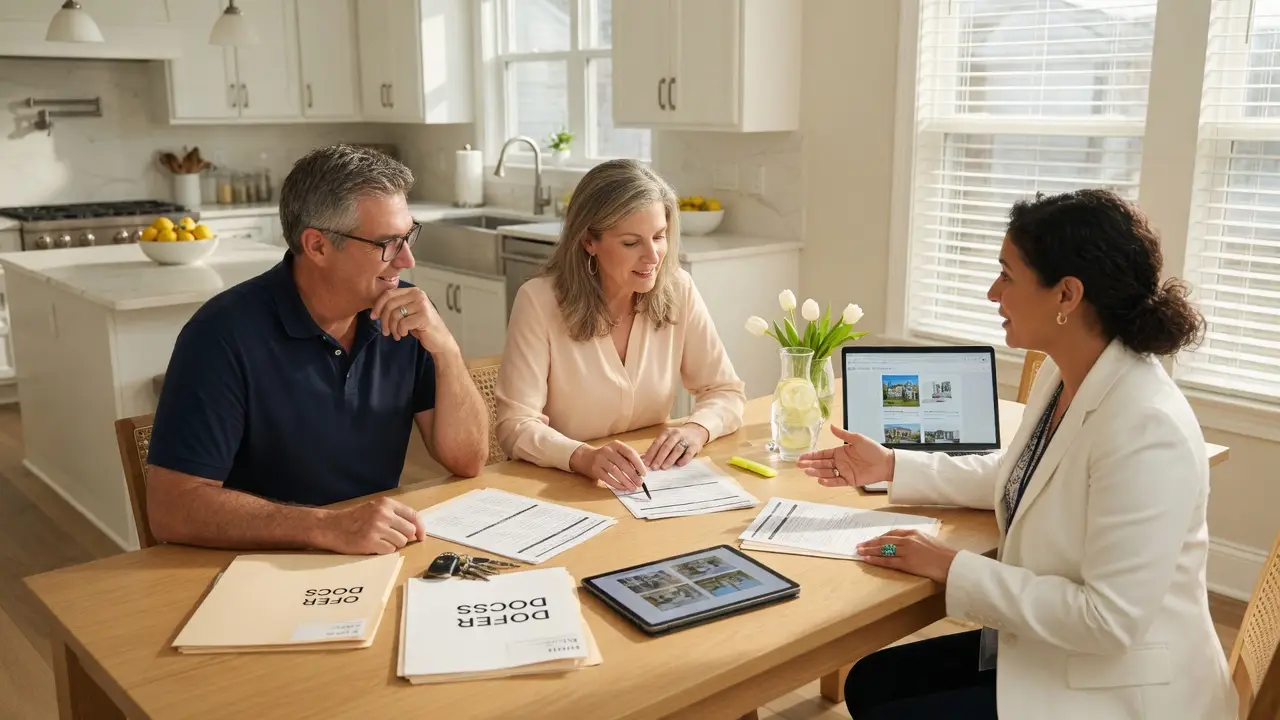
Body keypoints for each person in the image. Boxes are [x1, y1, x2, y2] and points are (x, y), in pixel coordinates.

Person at [797, 189, 1236, 719]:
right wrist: (891, 466)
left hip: (1119, 684)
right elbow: (1024, 477)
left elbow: (1108, 621)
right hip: (1063, 650)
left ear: (1066, 296)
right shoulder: (1066, 372)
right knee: (870, 682)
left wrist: (950, 566)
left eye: (1006, 275)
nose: (991, 292)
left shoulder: (1146, 427)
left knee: (885, 704)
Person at [146, 144, 489, 555]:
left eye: (409, 236)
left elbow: (468, 461)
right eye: (388, 243)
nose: (407, 260)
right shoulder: (220, 335)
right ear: (318, 246)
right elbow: (172, 507)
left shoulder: (408, 313)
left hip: (369, 556)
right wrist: (326, 526)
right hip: (254, 566)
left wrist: (447, 352)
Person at [495, 159, 746, 490]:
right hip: (565, 488)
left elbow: (725, 391)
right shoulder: (538, 301)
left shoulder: (678, 288)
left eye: (659, 236)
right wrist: (583, 457)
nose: (653, 256)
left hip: (650, 486)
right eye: (631, 242)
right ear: (589, 241)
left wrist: (697, 429)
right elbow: (515, 426)